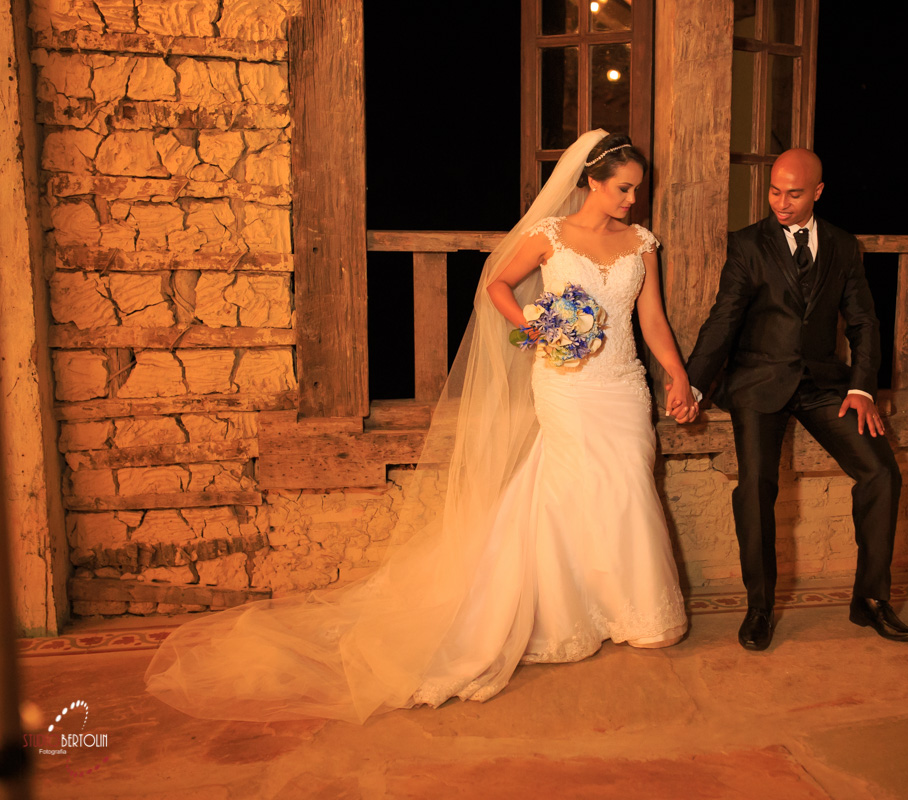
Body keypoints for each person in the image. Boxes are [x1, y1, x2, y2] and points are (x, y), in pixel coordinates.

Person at [145, 130, 697, 723]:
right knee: (569, 487)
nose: (631, 200)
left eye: (637, 190)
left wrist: (677, 376)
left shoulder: (641, 244)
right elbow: (496, 284)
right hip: (565, 384)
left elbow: (652, 319)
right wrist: (535, 326)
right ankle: (565, 613)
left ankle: (633, 606)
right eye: (623, 189)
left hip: (622, 383)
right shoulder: (550, 235)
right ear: (592, 181)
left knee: (629, 481)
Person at [685, 148, 908, 651]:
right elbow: (724, 318)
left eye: (793, 194)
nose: (781, 202)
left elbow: (863, 322)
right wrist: (694, 385)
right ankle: (759, 607)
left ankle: (871, 600)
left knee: (881, 472)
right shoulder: (747, 244)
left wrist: (861, 388)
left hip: (823, 385)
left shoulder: (842, 245)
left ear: (818, 192)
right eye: (774, 191)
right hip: (758, 380)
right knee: (756, 487)